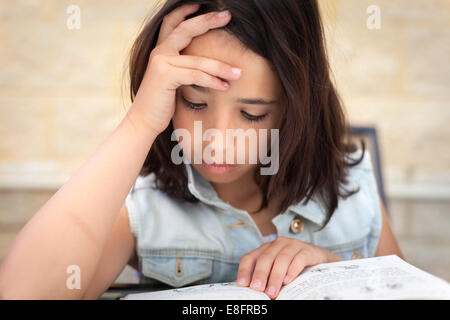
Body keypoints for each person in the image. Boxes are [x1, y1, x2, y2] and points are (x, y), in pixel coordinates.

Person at [0, 0, 403, 300]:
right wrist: (140, 122)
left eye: (251, 114)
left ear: (295, 109)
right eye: (194, 103)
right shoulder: (143, 208)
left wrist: (337, 278)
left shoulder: (354, 189)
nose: (217, 138)